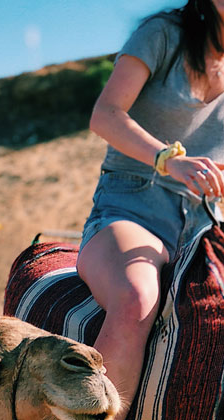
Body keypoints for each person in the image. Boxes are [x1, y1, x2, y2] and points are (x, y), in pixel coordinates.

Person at [78, 1, 224, 417]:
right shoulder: (162, 34)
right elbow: (105, 115)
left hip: (204, 223)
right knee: (136, 299)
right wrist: (169, 159)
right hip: (131, 206)